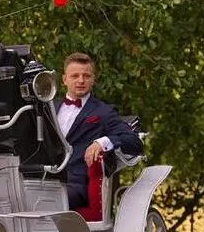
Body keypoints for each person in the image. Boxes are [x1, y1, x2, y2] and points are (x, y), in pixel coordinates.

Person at [54, 52, 143, 210]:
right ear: (64, 79)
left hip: (77, 185)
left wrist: (104, 142)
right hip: (43, 180)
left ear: (93, 79)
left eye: (86, 76)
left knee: (51, 200)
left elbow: (135, 143)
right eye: (75, 76)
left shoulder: (104, 112)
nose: (81, 80)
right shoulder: (49, 108)